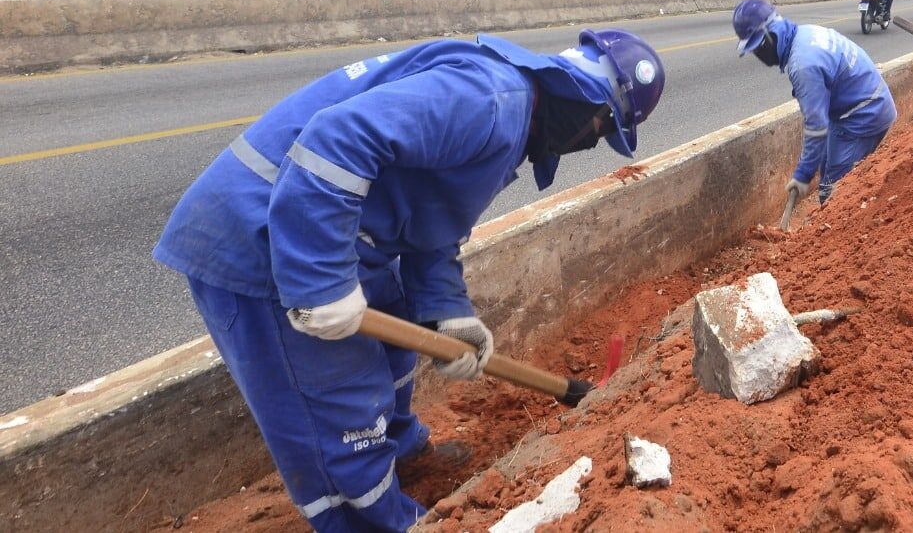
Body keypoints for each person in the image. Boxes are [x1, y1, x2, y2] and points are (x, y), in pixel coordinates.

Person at [153, 30, 665, 532]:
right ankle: (375, 519)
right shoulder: (490, 101)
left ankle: (403, 451)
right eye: (603, 127)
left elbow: (434, 218)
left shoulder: (515, 119)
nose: (594, 139)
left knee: (397, 333)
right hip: (266, 237)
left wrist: (450, 311)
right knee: (340, 410)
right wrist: (320, 282)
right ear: (587, 105)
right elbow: (336, 140)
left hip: (341, 229)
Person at [732, 0, 896, 204]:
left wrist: (802, 175)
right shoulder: (804, 34)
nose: (757, 54)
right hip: (853, 108)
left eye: (758, 47)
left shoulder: (803, 65)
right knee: (826, 167)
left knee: (835, 190)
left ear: (769, 35)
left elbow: (817, 126)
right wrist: (809, 168)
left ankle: (842, 231)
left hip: (864, 115)